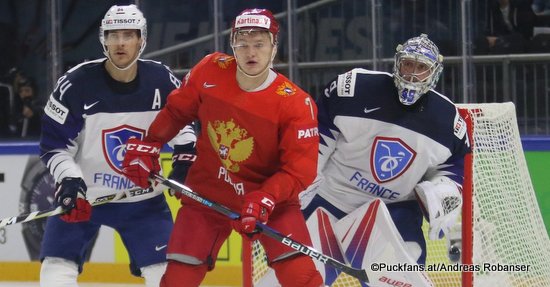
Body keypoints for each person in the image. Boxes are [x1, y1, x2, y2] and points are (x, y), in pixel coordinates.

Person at [122, 8, 324, 287]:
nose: (251, 52)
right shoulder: (209, 70)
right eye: (243, 44)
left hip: (270, 202)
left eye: (259, 44)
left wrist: (265, 198)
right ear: (232, 45)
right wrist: (151, 143)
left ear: (274, 48)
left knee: (301, 278)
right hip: (209, 193)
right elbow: (177, 112)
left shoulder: (295, 104)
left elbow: (299, 171)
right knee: (178, 278)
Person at [39, 4, 196, 287]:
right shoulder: (75, 84)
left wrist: (185, 160)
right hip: (83, 198)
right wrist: (70, 181)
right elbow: (54, 147)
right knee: (55, 272)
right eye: (113, 35)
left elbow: (183, 128)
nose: (121, 42)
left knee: (167, 278)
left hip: (143, 201)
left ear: (141, 39)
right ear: (103, 39)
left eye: (128, 34)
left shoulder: (161, 81)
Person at [300, 34, 470, 285]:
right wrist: (301, 182)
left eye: (421, 67)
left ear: (434, 73)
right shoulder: (354, 88)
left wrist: (442, 192)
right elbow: (318, 134)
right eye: (408, 64)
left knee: (401, 274)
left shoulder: (448, 121)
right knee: (301, 278)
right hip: (333, 198)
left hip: (393, 210)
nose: (412, 74)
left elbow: (455, 167)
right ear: (397, 63)